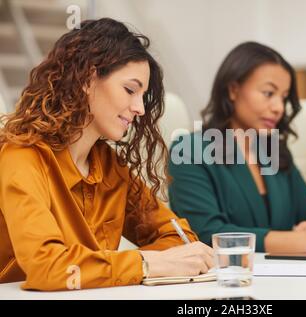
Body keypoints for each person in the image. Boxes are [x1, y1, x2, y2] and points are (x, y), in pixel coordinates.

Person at [0, 18, 213, 291]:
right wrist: (144, 263)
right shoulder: (21, 157)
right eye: (130, 90)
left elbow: (179, 239)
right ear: (88, 79)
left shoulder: (109, 166)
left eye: (143, 95)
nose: (140, 109)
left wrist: (116, 266)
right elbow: (48, 268)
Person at [168, 42, 306, 254]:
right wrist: (304, 241)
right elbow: (208, 234)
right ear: (233, 89)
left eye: (283, 98)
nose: (278, 107)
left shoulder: (272, 152)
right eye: (268, 93)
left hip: (282, 280)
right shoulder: (188, 151)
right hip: (225, 281)